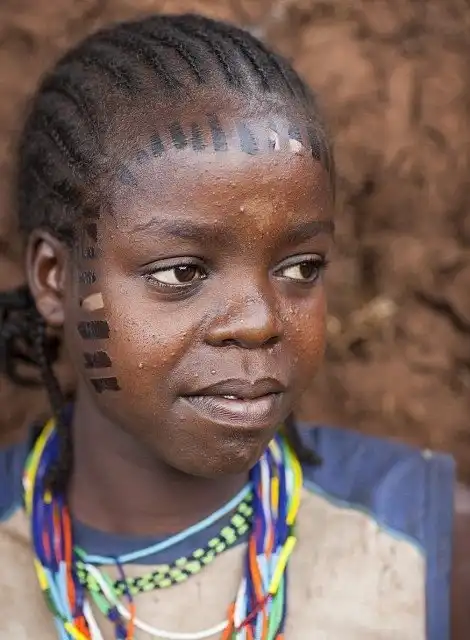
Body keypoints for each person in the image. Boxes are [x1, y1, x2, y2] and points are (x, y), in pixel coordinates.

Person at [0, 13, 468, 640]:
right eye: (182, 272)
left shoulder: (424, 545)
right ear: (54, 278)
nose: (259, 321)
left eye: (301, 267)